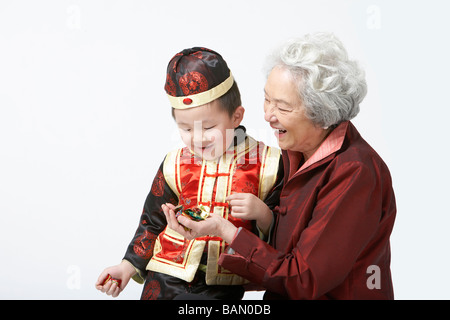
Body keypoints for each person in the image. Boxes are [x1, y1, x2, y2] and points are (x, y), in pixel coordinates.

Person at [164, 33, 397, 299]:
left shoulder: (356, 172)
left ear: (322, 113)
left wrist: (226, 232)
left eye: (283, 107)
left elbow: (303, 279)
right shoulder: (290, 154)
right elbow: (275, 253)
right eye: (267, 99)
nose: (267, 115)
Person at [95, 47, 283, 299]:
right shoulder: (174, 163)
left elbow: (284, 235)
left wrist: (261, 213)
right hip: (164, 276)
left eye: (209, 127)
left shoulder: (268, 164)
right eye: (185, 129)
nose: (197, 138)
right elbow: (151, 223)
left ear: (236, 116)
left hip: (222, 284)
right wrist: (126, 267)